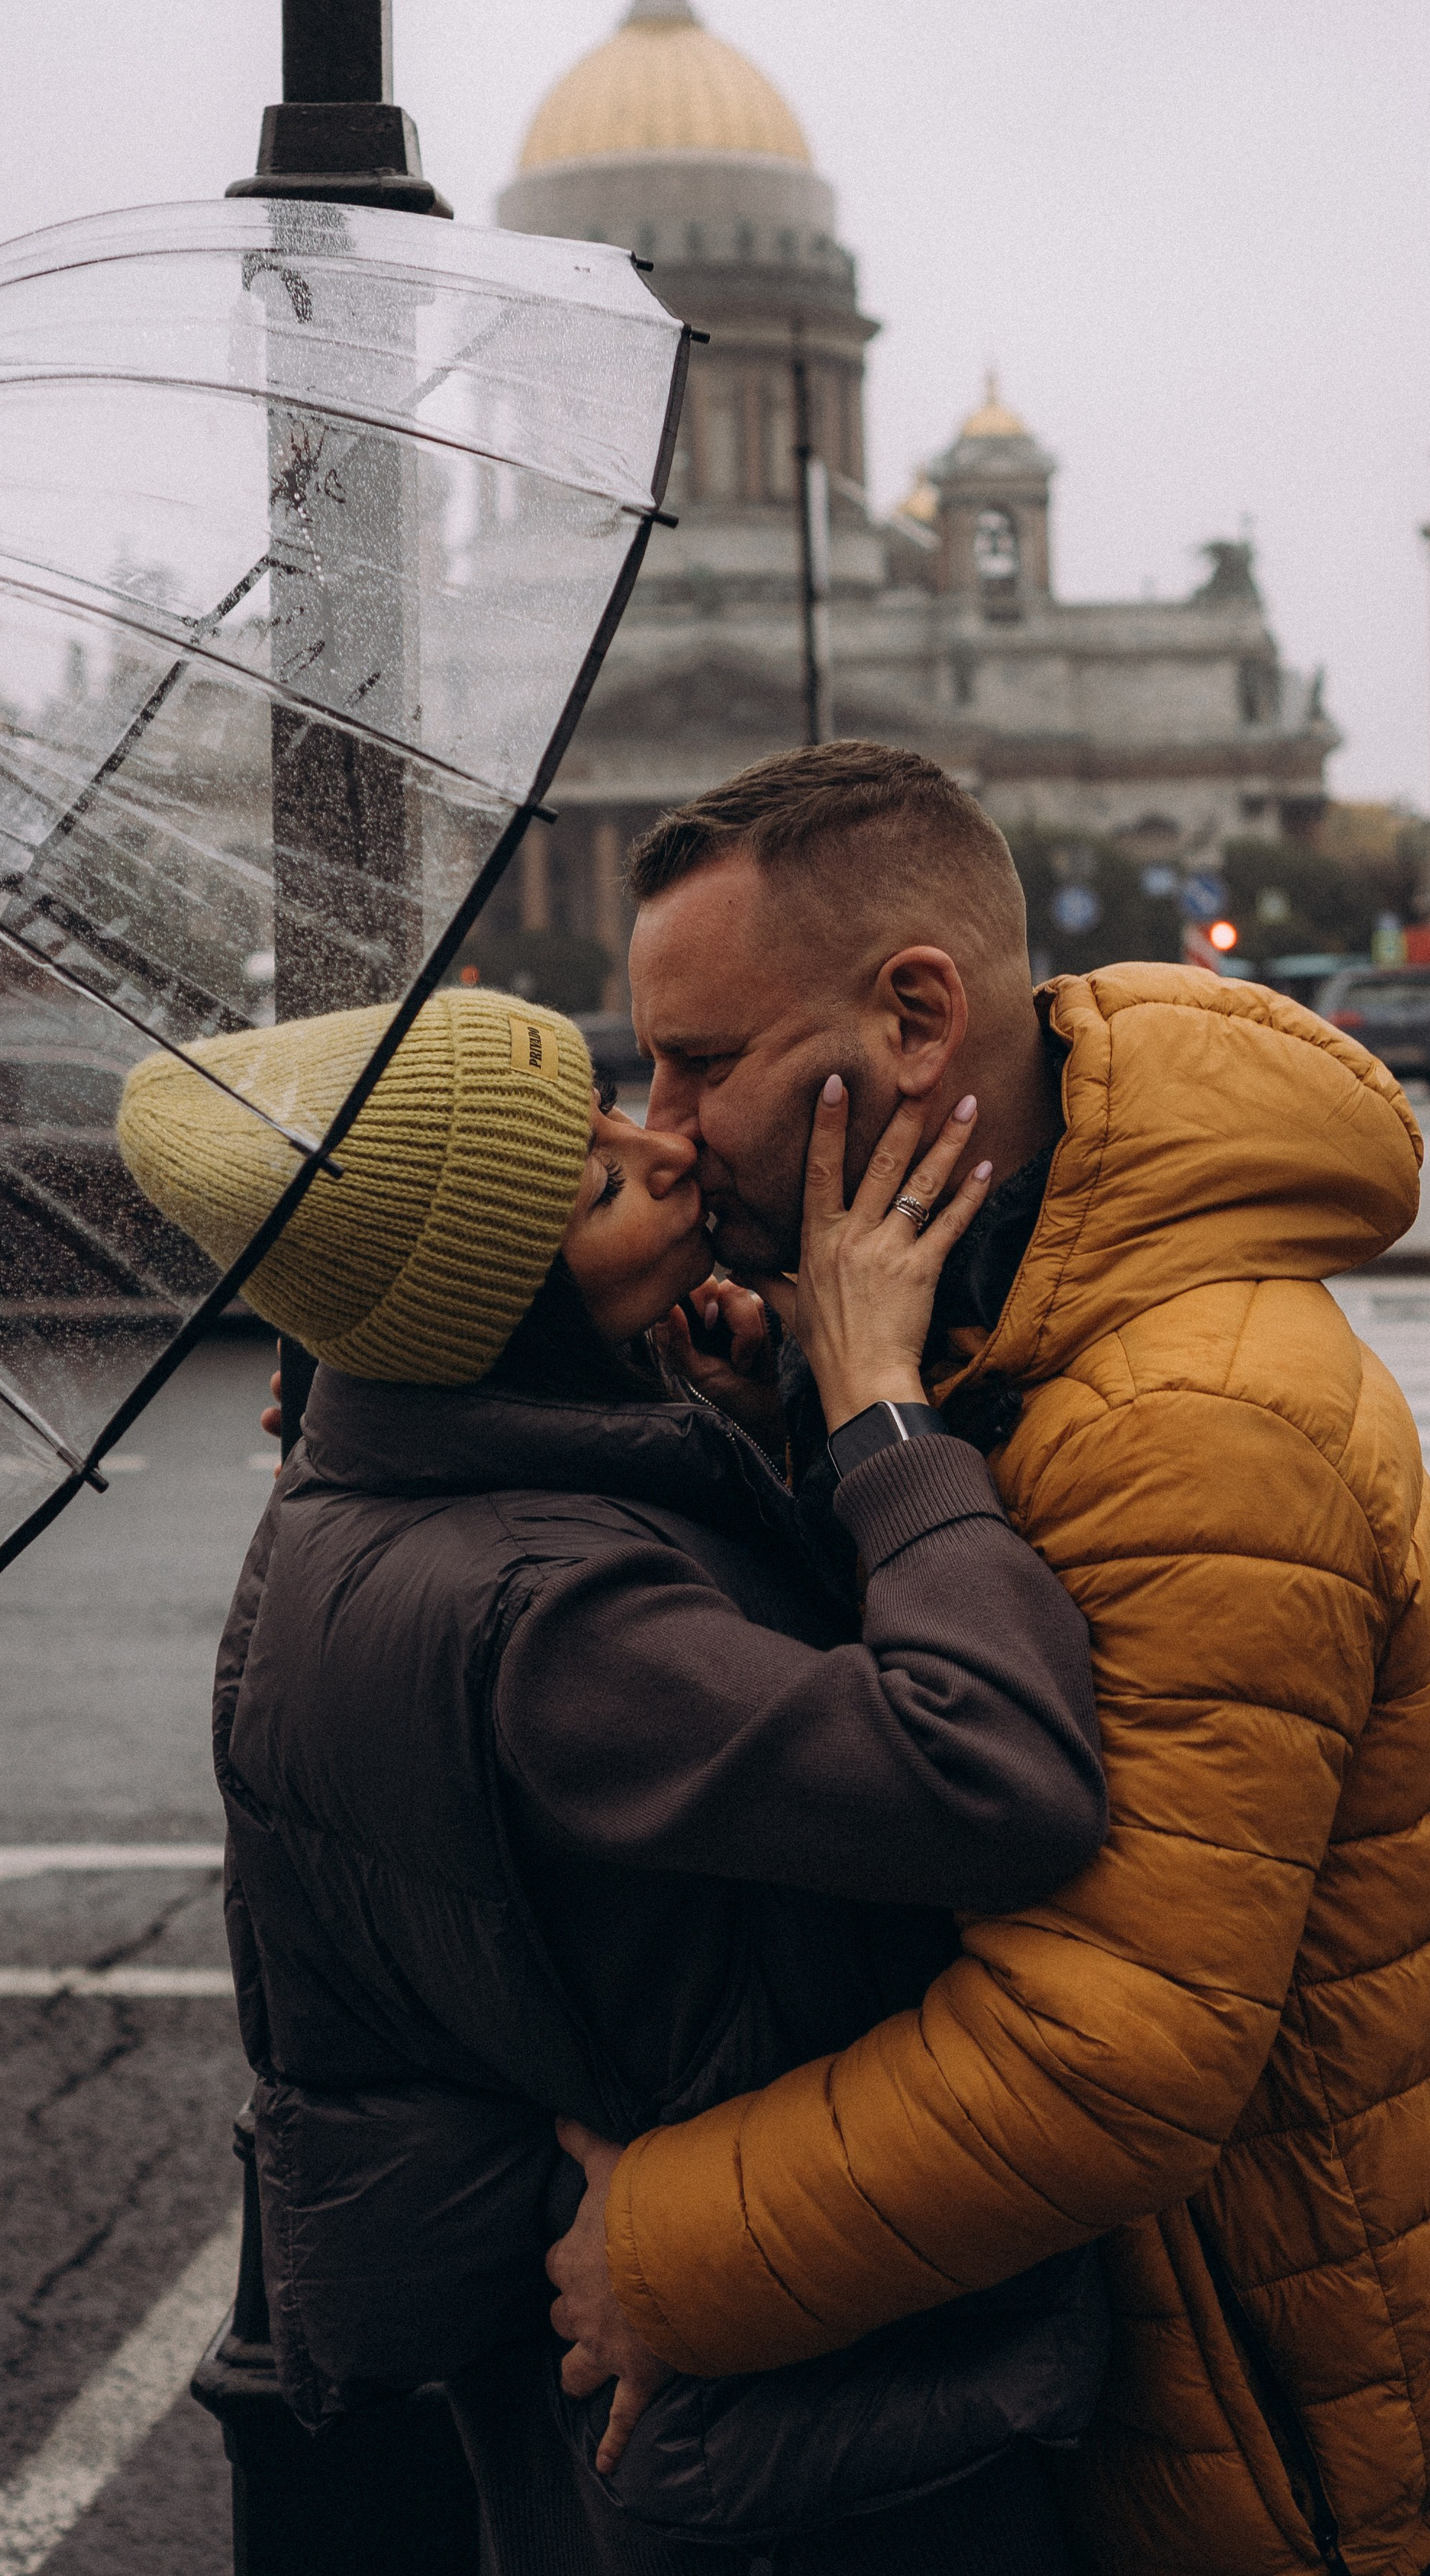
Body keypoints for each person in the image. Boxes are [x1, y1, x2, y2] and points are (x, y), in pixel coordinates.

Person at [542, 743, 1430, 2576]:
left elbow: (1107, 2059)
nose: (667, 1124)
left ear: (919, 1017)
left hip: (1270, 2387)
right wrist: (801, 1415)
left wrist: (659, 2257)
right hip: (1186, 2325)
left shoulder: (1194, 1418)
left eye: (704, 1060)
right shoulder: (974, 1304)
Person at [114, 984, 1113, 2575]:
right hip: (785, 2461)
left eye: (611, 1116)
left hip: (621, 2429)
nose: (665, 1152)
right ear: (495, 1311)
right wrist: (879, 1417)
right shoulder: (554, 1615)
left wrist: (727, 1429)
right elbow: (990, 1777)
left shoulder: (362, 1492)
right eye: (596, 1189)